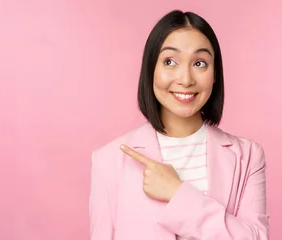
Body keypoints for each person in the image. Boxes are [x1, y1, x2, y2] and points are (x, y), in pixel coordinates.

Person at [89, 9, 269, 240]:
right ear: (150, 69)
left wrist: (178, 194)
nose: (185, 79)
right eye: (170, 61)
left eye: (200, 63)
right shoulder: (109, 160)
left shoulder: (248, 156)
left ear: (215, 74)